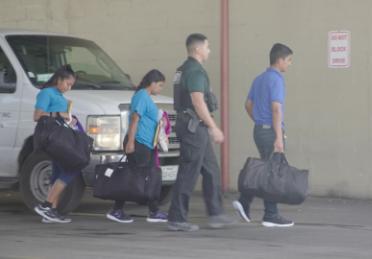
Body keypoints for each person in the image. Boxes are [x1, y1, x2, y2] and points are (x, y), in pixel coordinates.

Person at [167, 33, 234, 231]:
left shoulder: (183, 69)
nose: (209, 50)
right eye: (207, 46)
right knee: (189, 171)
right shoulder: (195, 71)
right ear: (197, 49)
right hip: (194, 127)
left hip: (193, 126)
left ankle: (216, 213)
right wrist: (213, 127)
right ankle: (177, 218)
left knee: (211, 170)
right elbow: (198, 101)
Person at [233, 43, 295, 227]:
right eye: (289, 60)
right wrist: (277, 135)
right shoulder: (276, 80)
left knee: (267, 170)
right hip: (270, 132)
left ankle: (249, 203)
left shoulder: (259, 79)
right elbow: (276, 109)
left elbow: (247, 105)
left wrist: (260, 122)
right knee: (271, 173)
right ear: (280, 60)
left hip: (260, 129)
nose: (290, 64)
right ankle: (267, 213)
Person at [106, 69, 168, 223]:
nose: (160, 89)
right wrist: (131, 142)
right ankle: (118, 210)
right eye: (160, 86)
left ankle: (151, 211)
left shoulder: (145, 97)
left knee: (145, 176)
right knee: (136, 177)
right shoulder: (141, 96)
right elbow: (135, 119)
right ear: (152, 83)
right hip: (138, 143)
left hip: (146, 145)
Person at [33, 65, 78, 223]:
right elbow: (37, 116)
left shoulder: (60, 96)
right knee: (71, 168)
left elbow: (61, 116)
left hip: (61, 137)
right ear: (59, 80)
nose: (69, 87)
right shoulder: (46, 93)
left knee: (58, 172)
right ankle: (46, 206)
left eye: (71, 85)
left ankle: (51, 211)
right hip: (53, 139)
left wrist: (70, 119)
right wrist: (60, 114)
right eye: (68, 83)